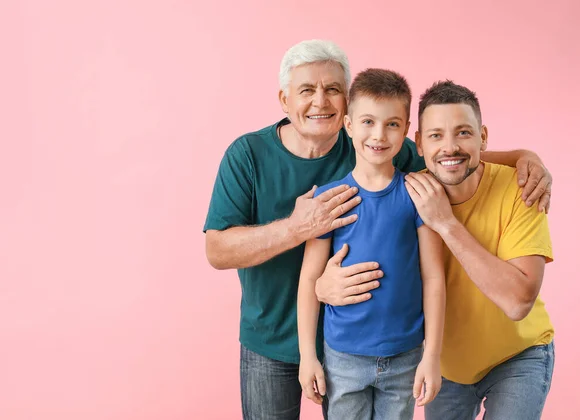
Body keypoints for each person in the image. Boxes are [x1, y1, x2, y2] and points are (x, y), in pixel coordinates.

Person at [204, 39, 552, 420]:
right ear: (284, 100)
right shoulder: (249, 156)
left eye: (333, 89)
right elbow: (218, 251)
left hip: (381, 347)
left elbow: (449, 155)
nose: (320, 102)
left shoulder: (395, 162)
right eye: (306, 90)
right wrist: (297, 231)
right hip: (275, 337)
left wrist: (524, 157)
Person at [297, 68, 445, 420]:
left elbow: (434, 278)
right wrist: (308, 356)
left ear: (407, 129)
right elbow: (308, 280)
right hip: (342, 358)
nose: (379, 135)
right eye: (368, 122)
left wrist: (432, 356)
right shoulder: (330, 199)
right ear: (348, 125)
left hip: (406, 356)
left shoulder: (418, 194)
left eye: (393, 124)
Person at [403, 80, 554, 420]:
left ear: (483, 137)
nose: (450, 146)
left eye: (464, 133)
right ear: (420, 145)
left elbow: (518, 301)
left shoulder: (522, 188)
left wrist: (446, 223)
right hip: (447, 366)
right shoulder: (409, 192)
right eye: (436, 135)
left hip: (518, 354)